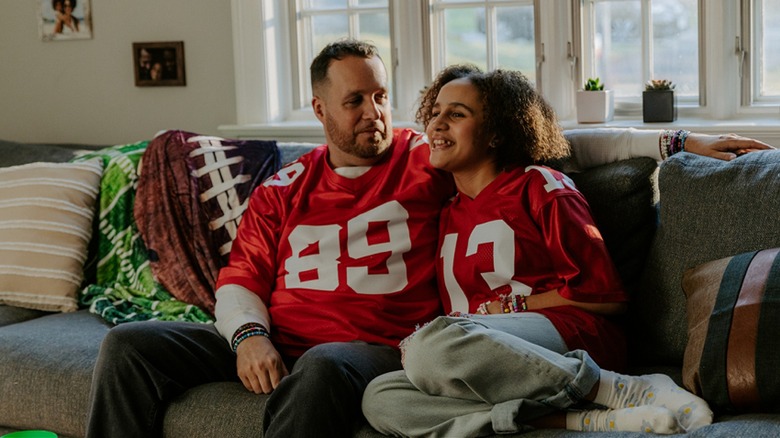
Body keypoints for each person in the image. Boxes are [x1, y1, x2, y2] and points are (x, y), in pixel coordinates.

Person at [84, 39, 772, 438]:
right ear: (320, 111)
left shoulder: (429, 161)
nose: (374, 114)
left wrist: (675, 139)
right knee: (128, 346)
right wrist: (246, 336)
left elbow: (557, 142)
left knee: (328, 368)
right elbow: (239, 279)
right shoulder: (283, 188)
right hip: (278, 335)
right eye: (354, 102)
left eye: (381, 95)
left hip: (371, 345)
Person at [361, 65, 725, 437]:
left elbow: (605, 298)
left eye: (456, 114)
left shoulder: (539, 186)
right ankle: (585, 419)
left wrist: (513, 308)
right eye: (435, 112)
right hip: (482, 358)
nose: (437, 124)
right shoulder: (447, 208)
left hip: (570, 337)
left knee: (431, 346)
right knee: (380, 396)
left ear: (497, 133)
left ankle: (626, 388)